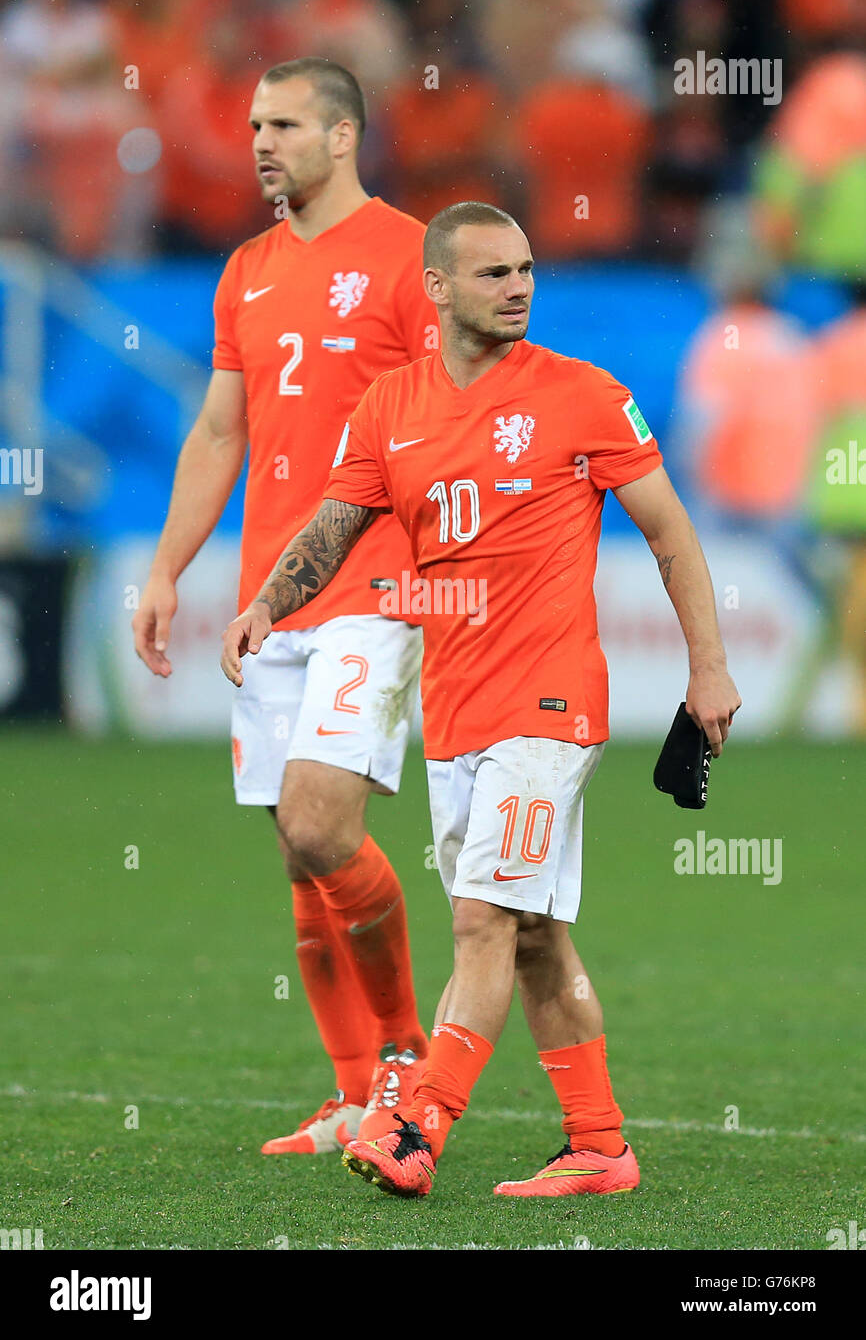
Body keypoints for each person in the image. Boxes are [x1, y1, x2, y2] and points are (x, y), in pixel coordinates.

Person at [220, 201, 741, 1197]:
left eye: (525, 270)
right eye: (494, 273)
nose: (517, 288)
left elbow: (671, 533)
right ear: (438, 288)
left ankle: (418, 1123)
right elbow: (334, 526)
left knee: (481, 921)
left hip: (548, 707)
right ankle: (598, 1145)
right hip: (454, 711)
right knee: (535, 934)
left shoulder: (584, 397)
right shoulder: (387, 408)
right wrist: (266, 605)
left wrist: (705, 668)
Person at [133, 58, 432, 1156]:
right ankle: (352, 1092)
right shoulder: (246, 268)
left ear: (343, 136)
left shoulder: (410, 257)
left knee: (320, 822)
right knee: (296, 856)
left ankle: (405, 1057)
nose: (259, 141)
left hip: (376, 585)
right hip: (271, 599)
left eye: (285, 124)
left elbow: (449, 420)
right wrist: (167, 569)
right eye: (253, 122)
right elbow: (221, 431)